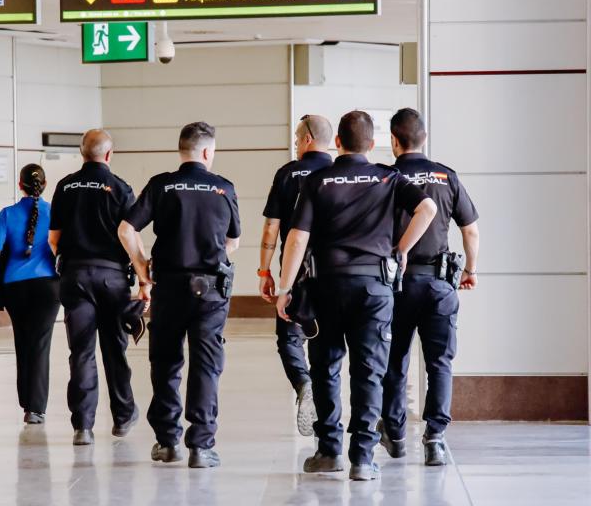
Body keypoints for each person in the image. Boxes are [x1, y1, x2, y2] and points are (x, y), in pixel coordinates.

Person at [275, 111, 438, 481]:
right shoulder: (388, 177)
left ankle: (329, 450)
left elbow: (298, 238)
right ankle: (363, 458)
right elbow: (426, 208)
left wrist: (285, 289)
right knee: (369, 371)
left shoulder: (318, 180)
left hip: (325, 287)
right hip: (374, 289)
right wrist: (401, 250)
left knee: (326, 368)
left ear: (338, 143)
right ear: (373, 143)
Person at [118, 121, 241, 469]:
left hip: (169, 287)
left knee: (167, 363)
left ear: (182, 149)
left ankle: (167, 442)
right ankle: (201, 447)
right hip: (212, 291)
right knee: (206, 364)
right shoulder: (223, 188)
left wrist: (142, 268)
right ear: (207, 152)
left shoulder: (162, 185)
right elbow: (232, 242)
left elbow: (127, 229)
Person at [379, 108, 480, 466]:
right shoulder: (446, 176)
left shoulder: (387, 178)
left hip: (395, 284)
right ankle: (435, 438)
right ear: (424, 137)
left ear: (394, 140)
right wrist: (470, 269)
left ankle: (393, 433)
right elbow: (470, 230)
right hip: (439, 284)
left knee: (394, 360)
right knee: (440, 363)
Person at [48, 129, 142, 446]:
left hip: (75, 277)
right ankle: (123, 416)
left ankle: (83, 427)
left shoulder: (65, 186)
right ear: (109, 154)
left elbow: (53, 240)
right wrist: (144, 276)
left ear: (82, 153)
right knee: (115, 350)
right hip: (112, 279)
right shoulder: (120, 188)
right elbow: (130, 235)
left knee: (81, 353)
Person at [259, 115, 334, 437]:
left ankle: (304, 384)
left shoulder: (288, 173)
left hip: (295, 272)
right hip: (335, 274)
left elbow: (271, 227)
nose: (294, 142)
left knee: (289, 338)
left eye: (296, 137)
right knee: (330, 344)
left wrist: (265, 271)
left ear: (307, 140)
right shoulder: (339, 172)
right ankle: (330, 415)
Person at [0, 164, 60, 425]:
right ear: (46, 184)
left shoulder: (8, 213)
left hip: (15, 287)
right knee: (41, 345)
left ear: (20, 185)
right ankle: (36, 409)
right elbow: (59, 246)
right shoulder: (54, 212)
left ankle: (26, 401)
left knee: (23, 342)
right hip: (48, 287)